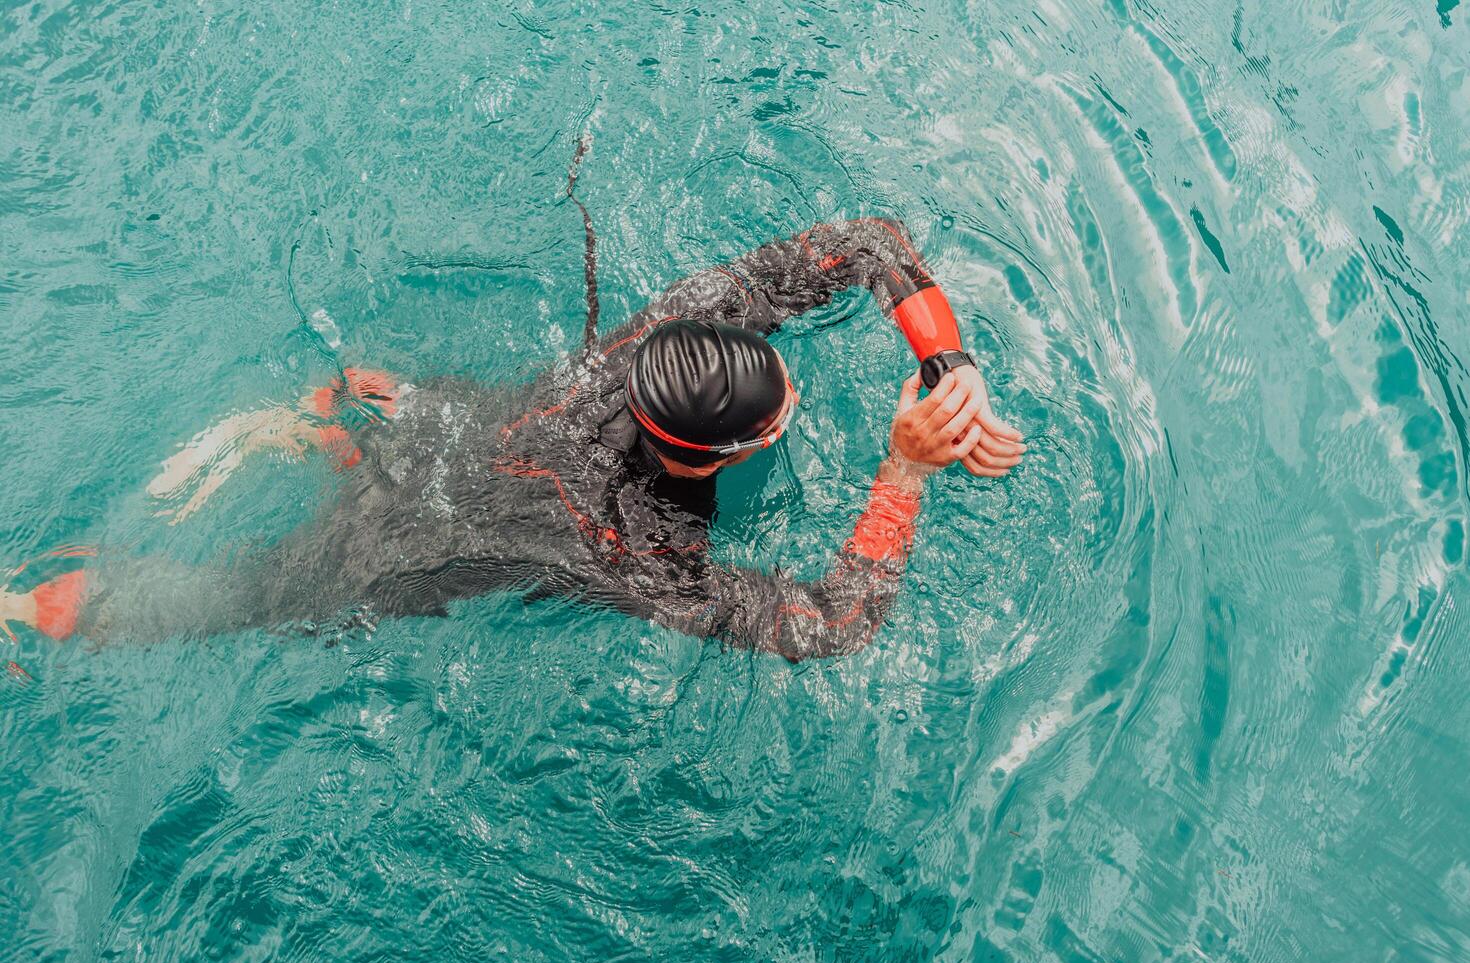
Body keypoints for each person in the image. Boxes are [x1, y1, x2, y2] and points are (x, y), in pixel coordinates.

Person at [0, 218, 1025, 661]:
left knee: (393, 407)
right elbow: (833, 624)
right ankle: (17, 607)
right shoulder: (639, 556)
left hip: (442, 422)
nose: (792, 390)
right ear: (724, 453)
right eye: (781, 409)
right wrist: (904, 465)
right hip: (400, 554)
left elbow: (866, 242)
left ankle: (315, 426)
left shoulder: (663, 333)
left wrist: (947, 364)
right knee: (227, 602)